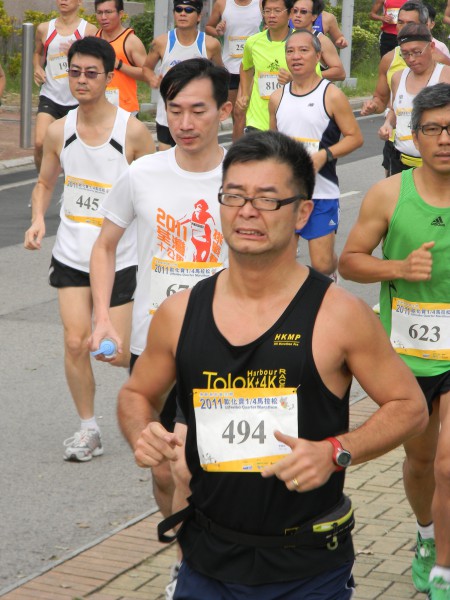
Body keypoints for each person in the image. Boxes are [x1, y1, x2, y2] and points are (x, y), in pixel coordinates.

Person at [116, 129, 428, 599]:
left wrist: (336, 451)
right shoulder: (180, 313)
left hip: (307, 567)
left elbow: (409, 407)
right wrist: (142, 431)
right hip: (206, 561)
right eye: (234, 196)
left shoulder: (339, 315)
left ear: (302, 212)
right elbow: (137, 393)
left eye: (267, 199)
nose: (247, 211)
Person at [88, 57, 231, 596]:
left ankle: (192, 569)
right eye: (175, 110)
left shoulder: (243, 174)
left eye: (199, 110)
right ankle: (186, 554)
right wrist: (104, 316)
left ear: (224, 110)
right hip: (154, 348)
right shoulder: (142, 173)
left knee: (195, 466)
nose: (185, 123)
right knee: (164, 470)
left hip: (225, 347)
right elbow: (104, 247)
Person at [339, 82, 450, 600]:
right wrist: (399, 269)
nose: (444, 139)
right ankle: (426, 536)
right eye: (433, 129)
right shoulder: (389, 194)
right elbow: (350, 262)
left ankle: (445, 569)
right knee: (422, 463)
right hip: (409, 355)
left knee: (448, 464)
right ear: (414, 136)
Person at [24, 37, 154, 462]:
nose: (81, 80)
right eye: (74, 72)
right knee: (76, 342)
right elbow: (45, 181)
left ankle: (157, 406)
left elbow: (152, 193)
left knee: (116, 353)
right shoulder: (59, 130)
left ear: (108, 76)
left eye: (91, 73)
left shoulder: (132, 132)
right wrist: (38, 218)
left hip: (122, 257)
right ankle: (88, 428)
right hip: (72, 254)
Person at [269, 29, 362, 278]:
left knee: (322, 265)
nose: (296, 56)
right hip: (287, 194)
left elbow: (355, 137)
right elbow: (274, 143)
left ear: (318, 56)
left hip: (322, 192)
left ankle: (331, 278)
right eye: (290, 51)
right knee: (282, 262)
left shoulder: (331, 95)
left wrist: (324, 155)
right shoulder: (277, 98)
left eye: (303, 50)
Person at [142, 0, 223, 151]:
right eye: (178, 9)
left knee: (196, 155)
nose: (183, 14)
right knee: (167, 158)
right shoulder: (161, 42)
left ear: (199, 16)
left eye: (188, 10)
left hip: (198, 115)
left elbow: (221, 74)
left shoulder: (210, 44)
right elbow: (146, 68)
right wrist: (152, 78)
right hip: (168, 113)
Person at [33, 0, 98, 172]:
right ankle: (42, 182)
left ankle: (73, 183)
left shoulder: (89, 30)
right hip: (50, 95)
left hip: (78, 99)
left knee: (78, 151)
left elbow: (96, 62)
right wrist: (37, 67)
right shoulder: (44, 29)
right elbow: (37, 53)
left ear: (79, 2)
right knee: (40, 142)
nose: (63, 1)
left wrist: (75, 54)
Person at [378, 23, 450, 176]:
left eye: (417, 52)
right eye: (405, 54)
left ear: (431, 47)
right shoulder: (397, 77)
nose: (411, 59)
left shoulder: (446, 76)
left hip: (439, 164)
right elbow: (395, 110)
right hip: (401, 162)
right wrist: (387, 124)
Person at [205, 0, 262, 140]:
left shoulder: (260, 4)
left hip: (252, 68)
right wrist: (218, 31)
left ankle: (250, 146)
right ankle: (238, 149)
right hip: (230, 68)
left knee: (246, 114)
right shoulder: (222, 4)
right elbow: (208, 27)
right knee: (236, 115)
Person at [236, 0, 294, 133]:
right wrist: (244, 94)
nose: (271, 15)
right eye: (267, 11)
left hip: (289, 122)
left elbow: (315, 80)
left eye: (277, 11)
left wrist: (293, 80)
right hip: (257, 121)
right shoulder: (252, 42)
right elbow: (246, 67)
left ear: (290, 13)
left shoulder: (302, 42)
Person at [94, 0, 147, 115]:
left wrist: (119, 65)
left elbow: (148, 74)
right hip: (97, 110)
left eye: (108, 12)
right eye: (99, 12)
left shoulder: (131, 41)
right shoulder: (93, 39)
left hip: (125, 111)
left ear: (121, 13)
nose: (103, 17)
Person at [289, 0, 346, 82]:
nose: (297, 15)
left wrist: (307, 76)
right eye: (295, 11)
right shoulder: (283, 37)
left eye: (303, 12)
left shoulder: (322, 41)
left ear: (314, 17)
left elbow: (340, 73)